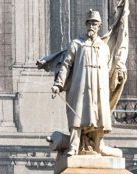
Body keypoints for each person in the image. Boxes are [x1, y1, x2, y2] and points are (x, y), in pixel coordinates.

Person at [36, 2, 129, 157]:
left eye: (95, 24)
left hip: (99, 88)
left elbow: (108, 67)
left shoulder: (104, 48)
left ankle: (98, 145)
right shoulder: (77, 44)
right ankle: (74, 145)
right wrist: (58, 84)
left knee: (99, 116)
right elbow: (66, 64)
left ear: (99, 26)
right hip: (81, 86)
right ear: (86, 25)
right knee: (77, 115)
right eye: (90, 23)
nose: (92, 26)